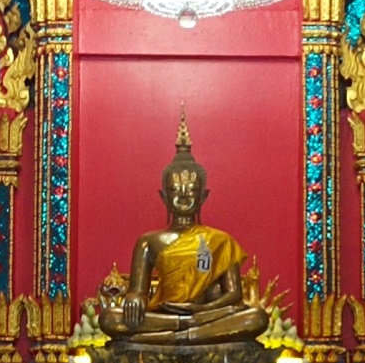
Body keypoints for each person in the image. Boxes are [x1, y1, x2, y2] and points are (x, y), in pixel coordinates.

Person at [99, 111, 268, 345]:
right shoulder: (149, 241)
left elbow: (234, 294)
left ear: (203, 196)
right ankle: (184, 330)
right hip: (165, 315)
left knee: (256, 317)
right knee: (109, 318)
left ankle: (179, 334)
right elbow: (138, 290)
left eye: (191, 190)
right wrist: (135, 298)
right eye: (176, 191)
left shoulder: (220, 241)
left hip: (206, 315)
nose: (184, 196)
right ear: (164, 197)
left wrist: (202, 310)